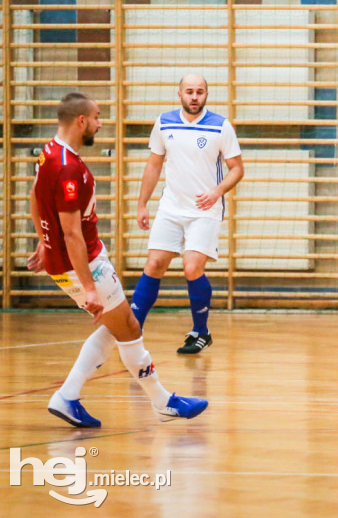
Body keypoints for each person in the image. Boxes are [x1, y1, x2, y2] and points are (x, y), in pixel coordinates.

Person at [28, 92, 208, 427]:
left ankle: (67, 396)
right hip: (85, 264)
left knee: (117, 328)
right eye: (96, 117)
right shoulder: (68, 168)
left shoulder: (48, 153)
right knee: (128, 328)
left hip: (65, 262)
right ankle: (162, 401)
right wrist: (89, 287)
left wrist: (43, 239)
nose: (99, 123)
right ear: (81, 121)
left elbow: (34, 195)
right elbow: (71, 235)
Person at [131, 74, 244, 354]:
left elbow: (237, 169)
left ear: (206, 95)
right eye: (190, 92)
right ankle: (132, 331)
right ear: (179, 93)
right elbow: (154, 166)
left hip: (205, 209)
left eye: (200, 92)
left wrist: (217, 192)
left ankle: (201, 331)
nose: (195, 97)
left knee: (192, 267)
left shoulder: (221, 126)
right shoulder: (164, 122)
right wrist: (142, 204)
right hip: (171, 206)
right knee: (154, 263)